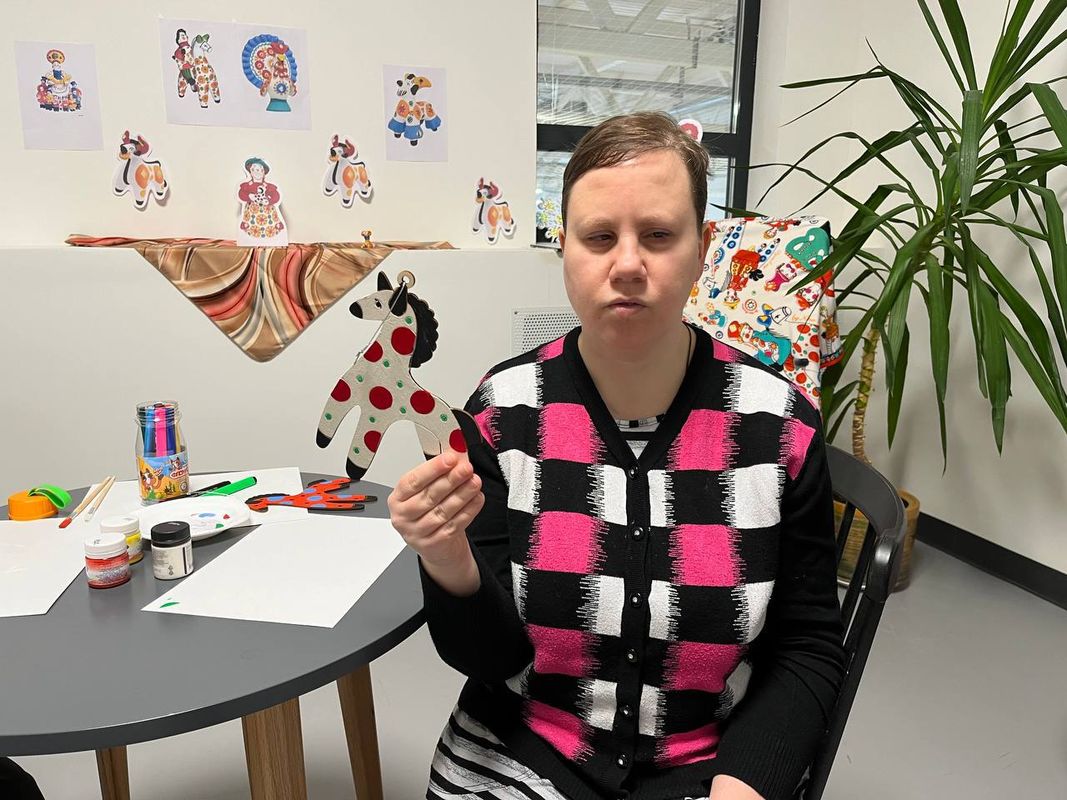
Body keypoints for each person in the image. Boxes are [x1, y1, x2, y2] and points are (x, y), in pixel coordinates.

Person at [388, 112, 845, 800]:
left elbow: (806, 650)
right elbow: (490, 659)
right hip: (520, 749)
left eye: (658, 235)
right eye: (598, 237)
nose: (627, 265)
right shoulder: (501, 413)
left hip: (704, 765)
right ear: (564, 249)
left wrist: (746, 784)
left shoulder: (778, 427)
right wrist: (447, 559)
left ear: (702, 249)